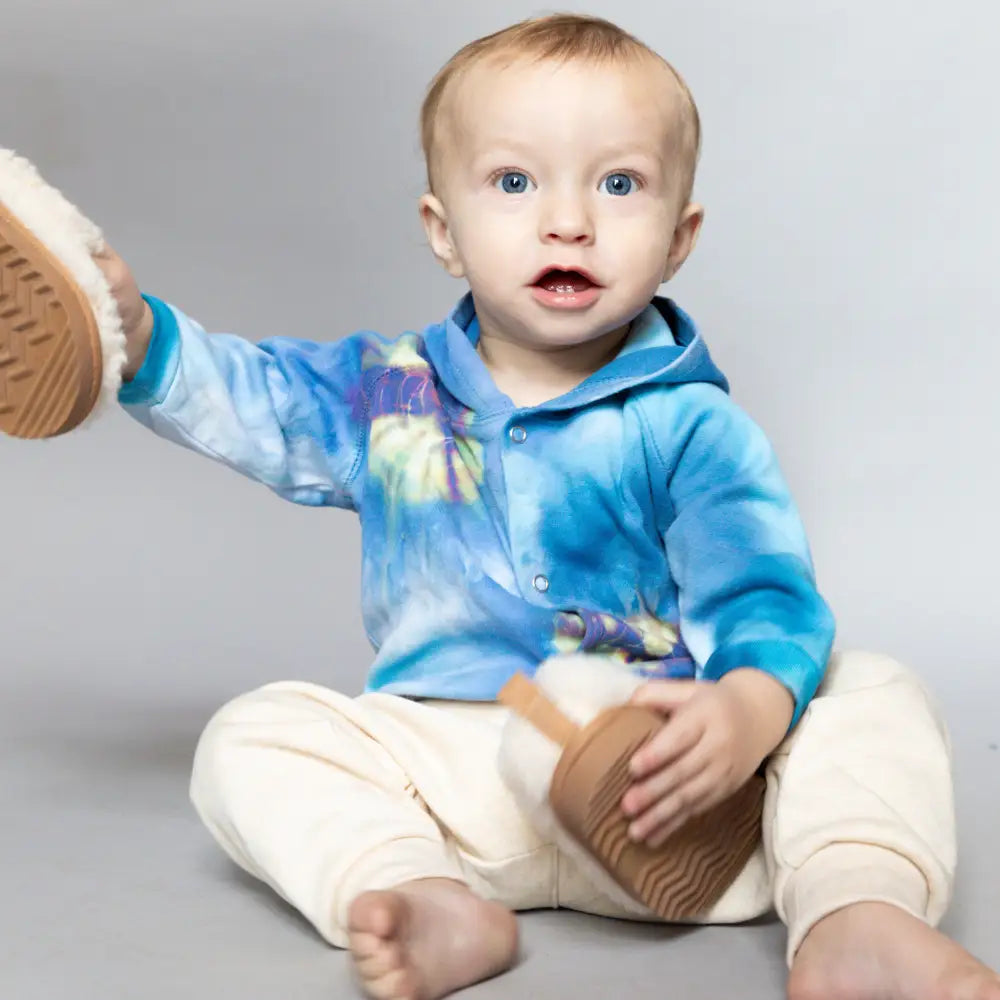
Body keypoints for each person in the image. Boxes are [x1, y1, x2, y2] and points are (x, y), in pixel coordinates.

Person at [19, 12, 1000, 1000]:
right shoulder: (394, 394)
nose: (566, 221)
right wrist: (139, 338)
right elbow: (262, 403)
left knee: (863, 690)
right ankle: (421, 891)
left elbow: (762, 587)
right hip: (460, 783)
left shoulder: (686, 424)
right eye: (514, 182)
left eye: (618, 184)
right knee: (256, 733)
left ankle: (850, 912)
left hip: (660, 793)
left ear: (677, 238)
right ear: (443, 231)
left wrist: (747, 705)